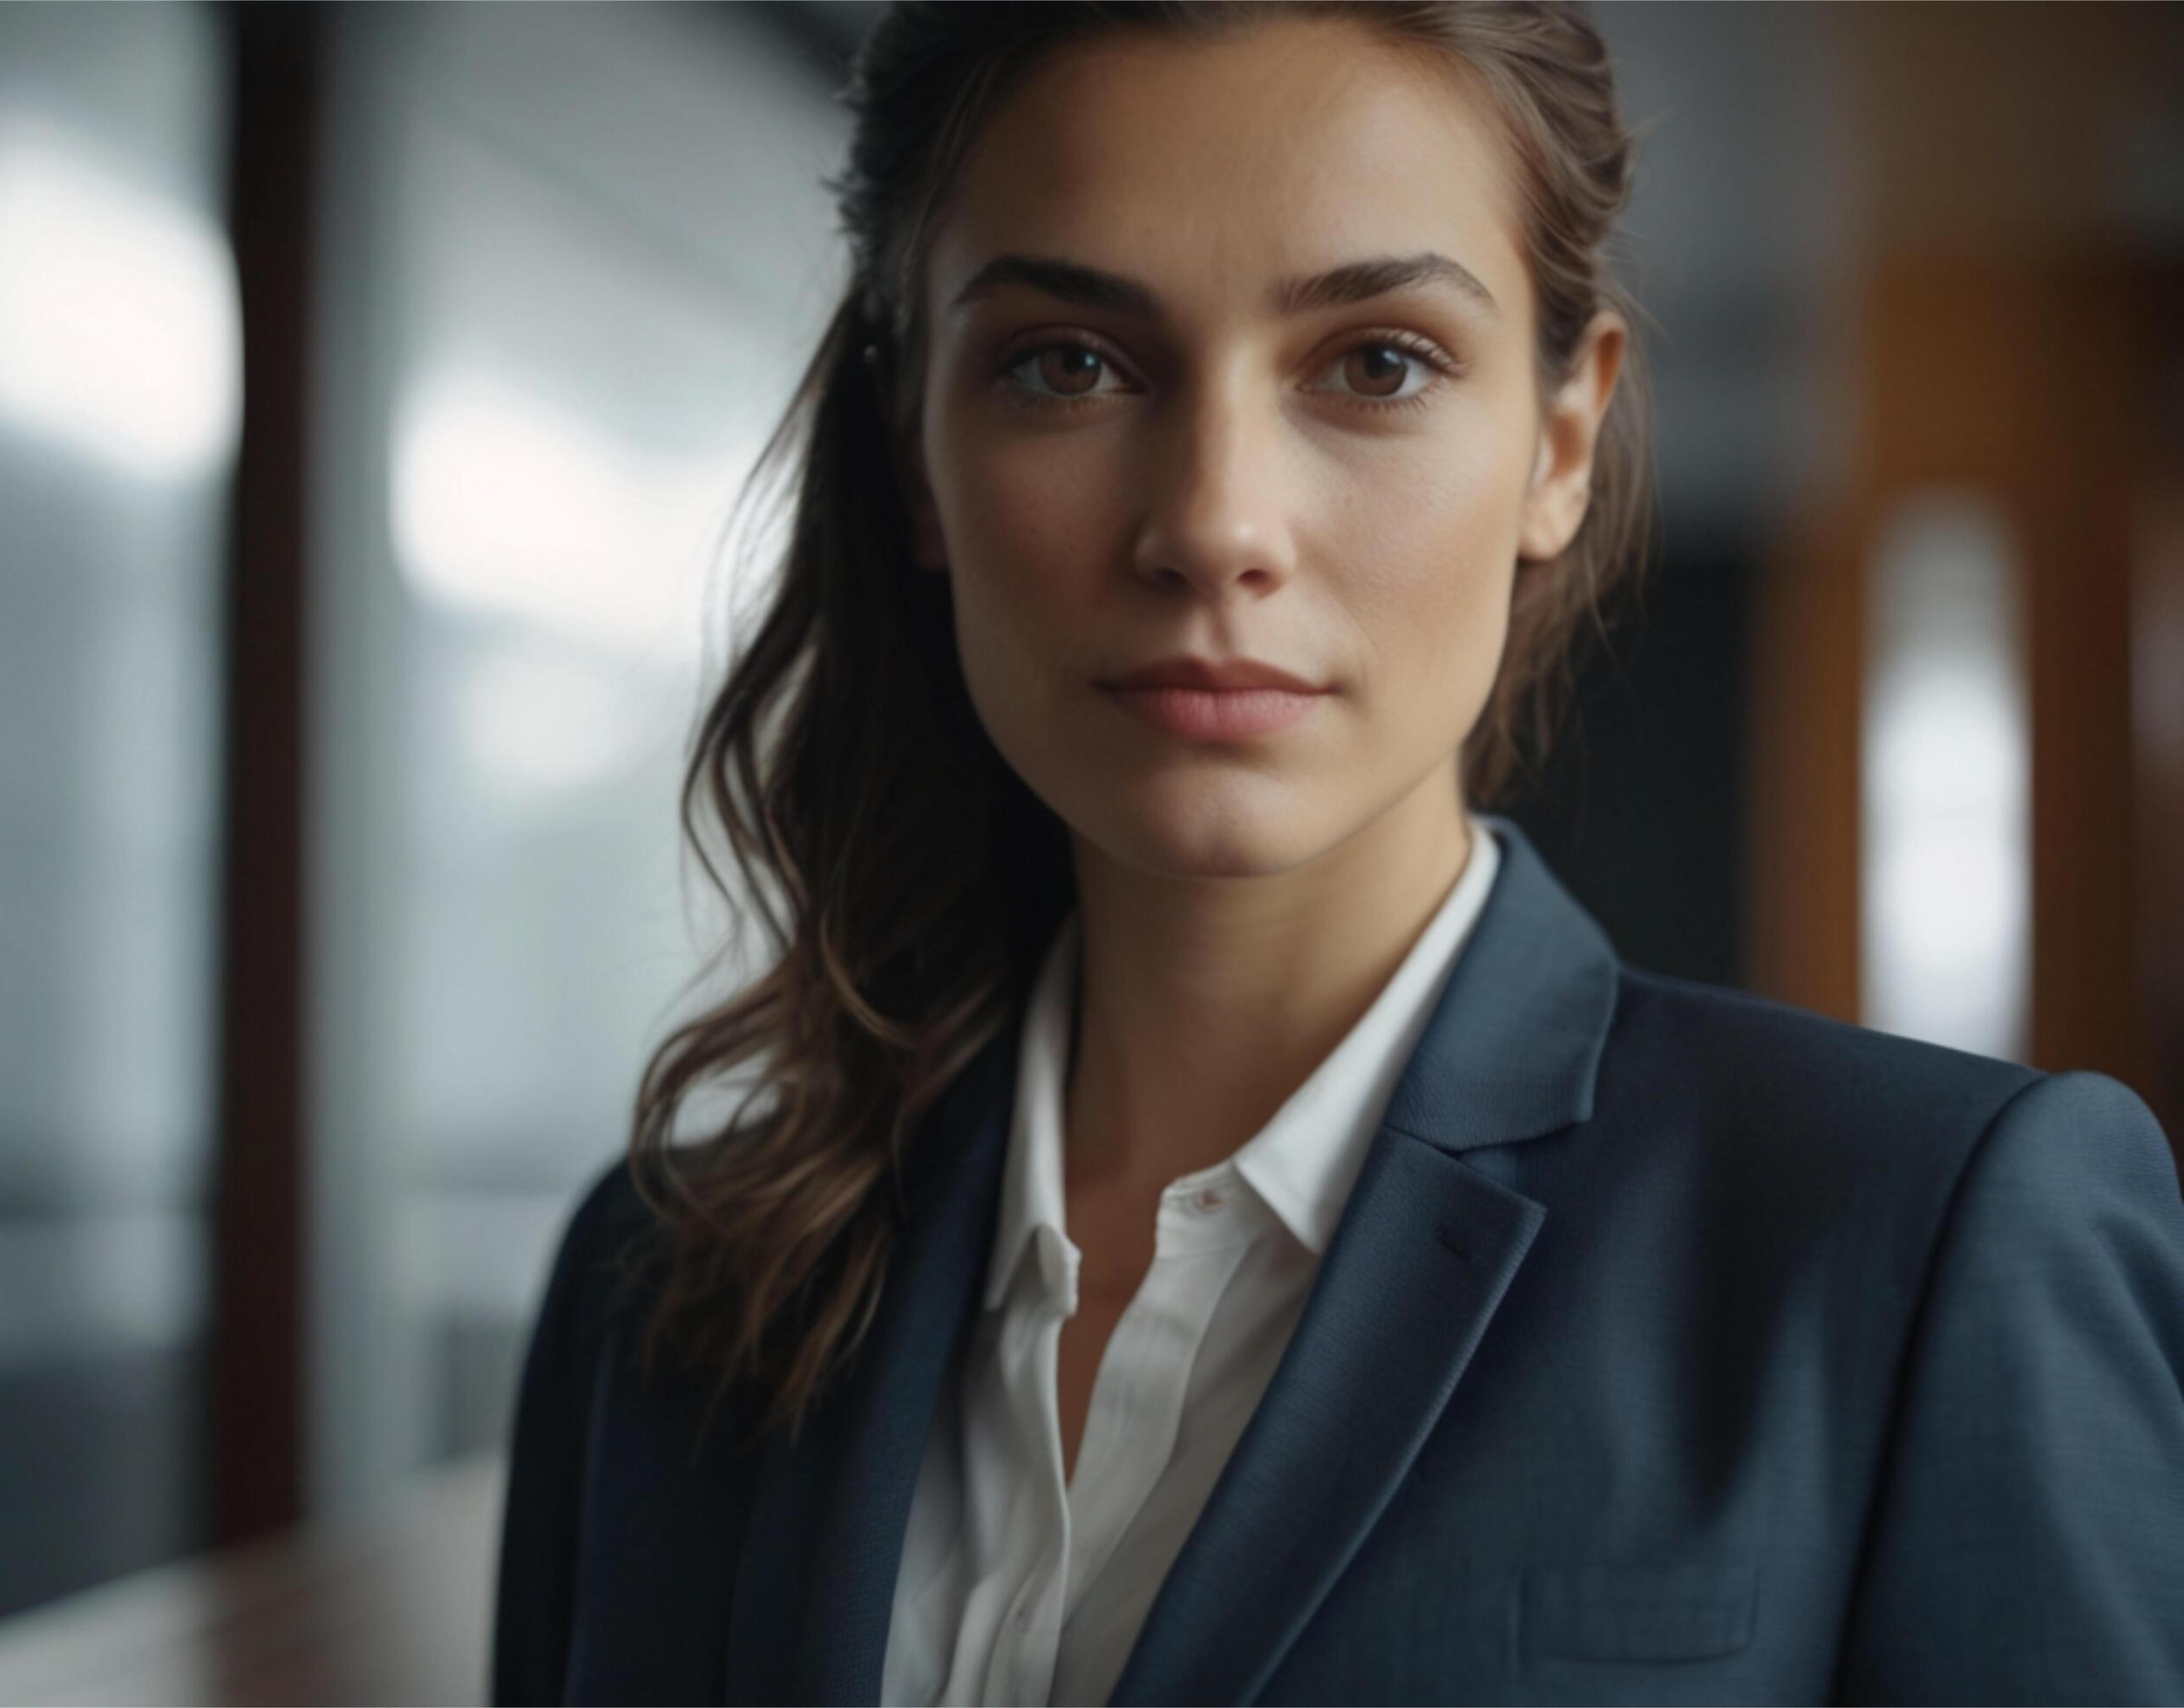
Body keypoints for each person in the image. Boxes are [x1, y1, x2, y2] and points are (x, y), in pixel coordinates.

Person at [490, 3, 2184, 1704]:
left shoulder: (1915, 1239)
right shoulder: (661, 1283)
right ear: (912, 448)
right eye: (1065, 362)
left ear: (1559, 438)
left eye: (1375, 360)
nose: (1215, 521)